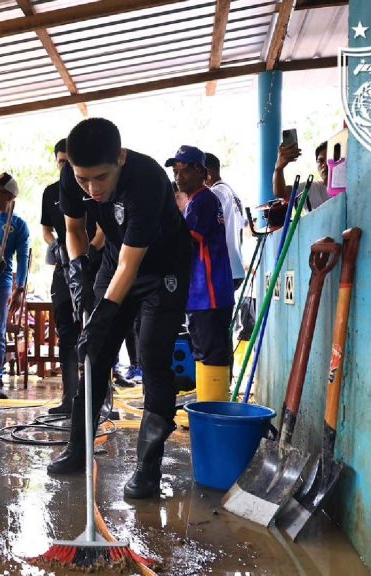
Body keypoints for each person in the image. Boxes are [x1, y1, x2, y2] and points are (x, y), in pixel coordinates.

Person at [46, 118, 191, 502]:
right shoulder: (71, 178)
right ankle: (79, 448)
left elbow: (132, 266)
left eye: (101, 178)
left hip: (162, 268)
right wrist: (77, 279)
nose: (92, 189)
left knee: (153, 356)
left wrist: (103, 316)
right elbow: (74, 232)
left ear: (121, 159)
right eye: (82, 180)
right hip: (114, 260)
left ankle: (148, 469)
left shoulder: (146, 179)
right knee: (93, 353)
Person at [39, 139, 102, 414]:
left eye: (70, 162)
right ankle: (70, 397)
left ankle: (98, 398)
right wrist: (56, 246)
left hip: (96, 266)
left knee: (99, 331)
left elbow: (103, 230)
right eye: (61, 161)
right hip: (64, 270)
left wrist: (86, 257)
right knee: (66, 332)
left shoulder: (93, 188)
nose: (65, 167)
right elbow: (46, 229)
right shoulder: (51, 192)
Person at [169, 146, 235, 403]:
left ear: (200, 171)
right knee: (206, 351)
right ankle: (208, 404)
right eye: (175, 172)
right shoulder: (197, 202)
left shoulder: (202, 202)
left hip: (208, 294)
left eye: (184, 171)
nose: (178, 177)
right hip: (204, 294)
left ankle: (213, 409)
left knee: (211, 352)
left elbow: (185, 243)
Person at [0, 172, 30, 399]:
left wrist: (19, 288)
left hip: (1, 284)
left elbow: (23, 258)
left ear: (10, 196)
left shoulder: (19, 225)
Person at [204, 153, 246, 289]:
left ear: (207, 172)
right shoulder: (232, 193)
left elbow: (206, 222)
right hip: (234, 267)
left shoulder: (217, 192)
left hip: (223, 268)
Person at [274, 140, 330, 210]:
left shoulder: (347, 187)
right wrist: (278, 169)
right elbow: (281, 193)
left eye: (329, 159)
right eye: (321, 161)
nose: (325, 164)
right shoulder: (310, 188)